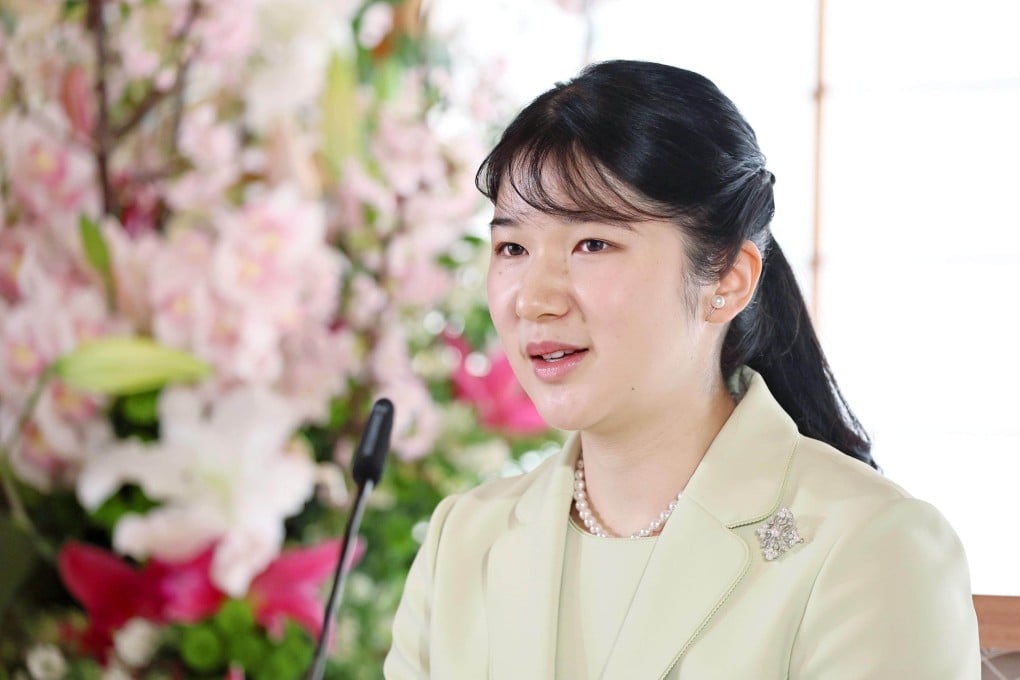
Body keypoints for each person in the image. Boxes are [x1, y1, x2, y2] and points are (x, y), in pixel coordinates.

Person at [384, 60, 980, 679]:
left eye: (593, 244)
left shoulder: (870, 546)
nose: (534, 298)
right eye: (512, 247)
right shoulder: (463, 541)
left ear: (728, 280)